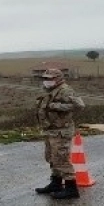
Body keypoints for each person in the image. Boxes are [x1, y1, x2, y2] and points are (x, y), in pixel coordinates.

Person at [35, 68, 85, 199]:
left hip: (61, 130)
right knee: (52, 157)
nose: (46, 81)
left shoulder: (65, 90)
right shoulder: (50, 90)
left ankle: (71, 188)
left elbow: (79, 105)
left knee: (61, 158)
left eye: (50, 79)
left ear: (57, 79)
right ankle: (56, 183)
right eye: (45, 79)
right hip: (50, 129)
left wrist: (57, 106)